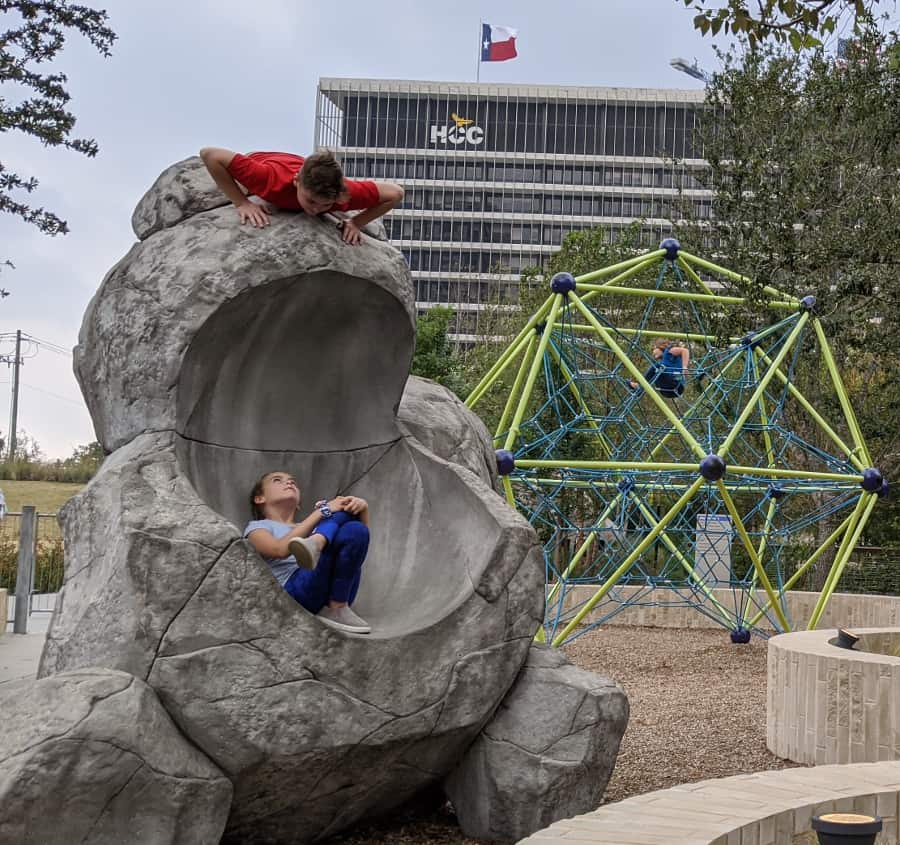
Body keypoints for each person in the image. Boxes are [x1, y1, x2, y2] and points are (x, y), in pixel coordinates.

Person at [244, 470, 372, 634]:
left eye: (293, 482)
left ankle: (337, 606)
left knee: (354, 526)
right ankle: (317, 543)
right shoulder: (258, 527)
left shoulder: (313, 525)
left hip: (340, 591)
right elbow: (279, 550)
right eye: (277, 480)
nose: (289, 483)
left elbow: (359, 543)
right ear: (260, 498)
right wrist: (322, 512)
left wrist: (363, 509)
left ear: (298, 503)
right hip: (296, 594)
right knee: (338, 514)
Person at [199, 147, 404, 245]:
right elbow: (210, 154)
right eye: (311, 201)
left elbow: (395, 193)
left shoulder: (345, 195)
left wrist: (356, 222)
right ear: (296, 181)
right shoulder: (268, 179)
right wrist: (241, 202)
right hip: (265, 160)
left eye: (326, 205)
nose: (316, 210)